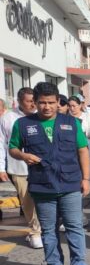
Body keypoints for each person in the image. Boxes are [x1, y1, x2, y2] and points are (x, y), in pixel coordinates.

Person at [9, 82, 90, 265]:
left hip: (70, 182)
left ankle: (79, 264)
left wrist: (86, 179)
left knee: (74, 226)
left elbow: (83, 150)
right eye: (42, 102)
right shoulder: (23, 124)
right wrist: (23, 156)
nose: (47, 107)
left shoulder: (71, 123)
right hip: (42, 185)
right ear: (34, 103)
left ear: (58, 102)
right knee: (48, 229)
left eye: (51, 102)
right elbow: (13, 149)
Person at [0, 87, 42, 249]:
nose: (33, 104)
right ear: (19, 102)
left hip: (42, 166)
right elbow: (1, 145)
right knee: (27, 200)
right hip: (19, 168)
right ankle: (35, 231)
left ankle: (45, 227)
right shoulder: (8, 118)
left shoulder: (41, 116)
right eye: (29, 101)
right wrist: (1, 168)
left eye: (34, 100)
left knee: (43, 199)